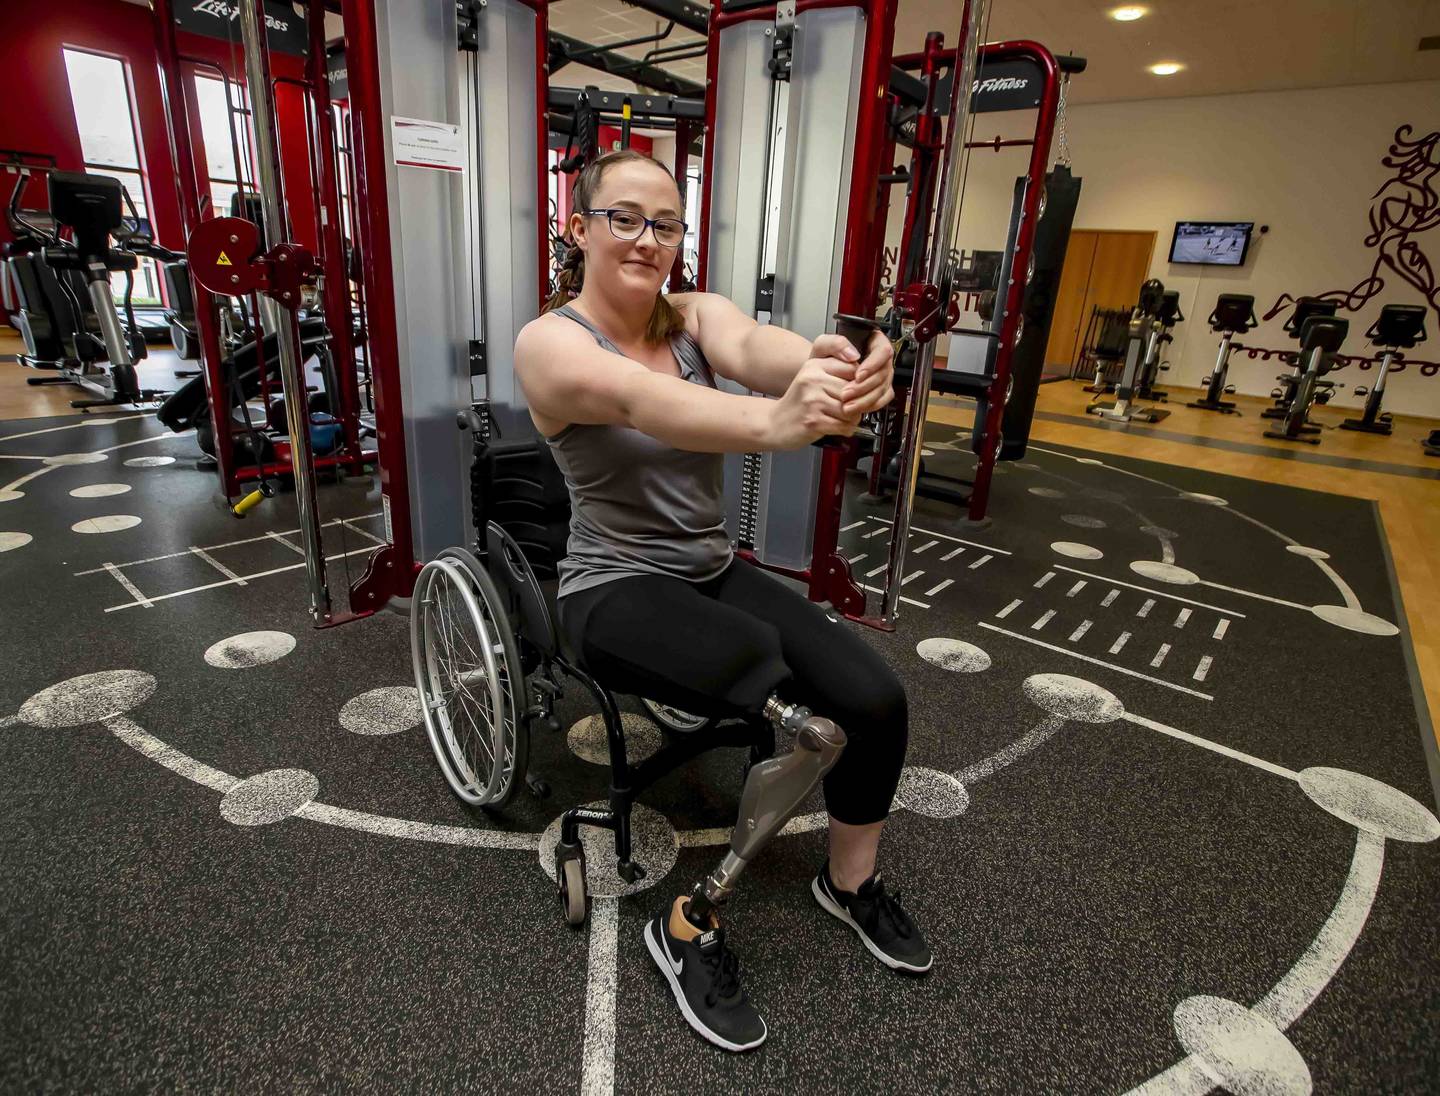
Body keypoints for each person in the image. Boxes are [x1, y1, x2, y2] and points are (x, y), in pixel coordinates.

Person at [514, 150, 930, 1053]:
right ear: (577, 228)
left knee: (873, 698)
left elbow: (762, 352)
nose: (647, 239)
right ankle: (688, 927)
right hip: (609, 587)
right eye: (623, 218)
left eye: (665, 224)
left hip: (707, 569)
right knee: (765, 674)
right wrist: (774, 423)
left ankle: (850, 885)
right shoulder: (550, 342)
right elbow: (644, 401)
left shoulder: (696, 316)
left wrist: (840, 366)